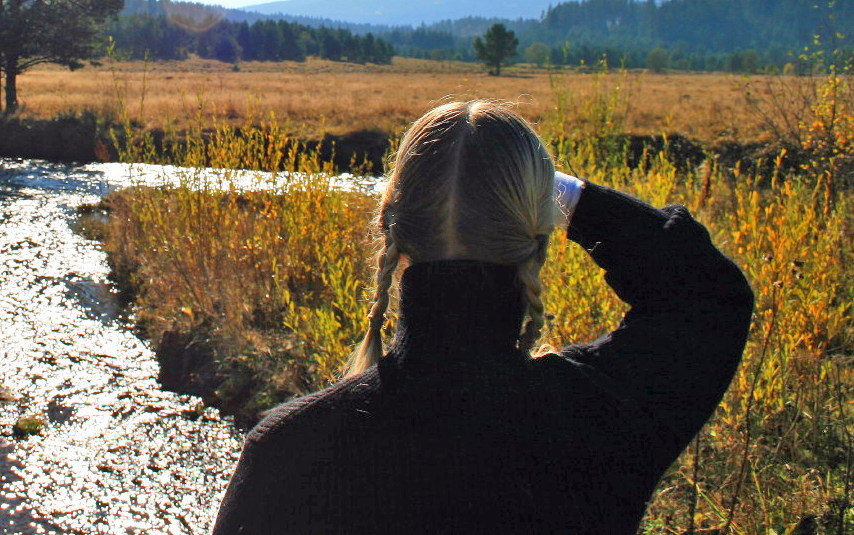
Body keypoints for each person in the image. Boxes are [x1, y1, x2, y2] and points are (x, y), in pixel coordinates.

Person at [211, 100, 754, 535]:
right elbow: (708, 296)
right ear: (537, 237)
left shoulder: (290, 448)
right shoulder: (600, 419)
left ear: (392, 235)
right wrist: (564, 194)